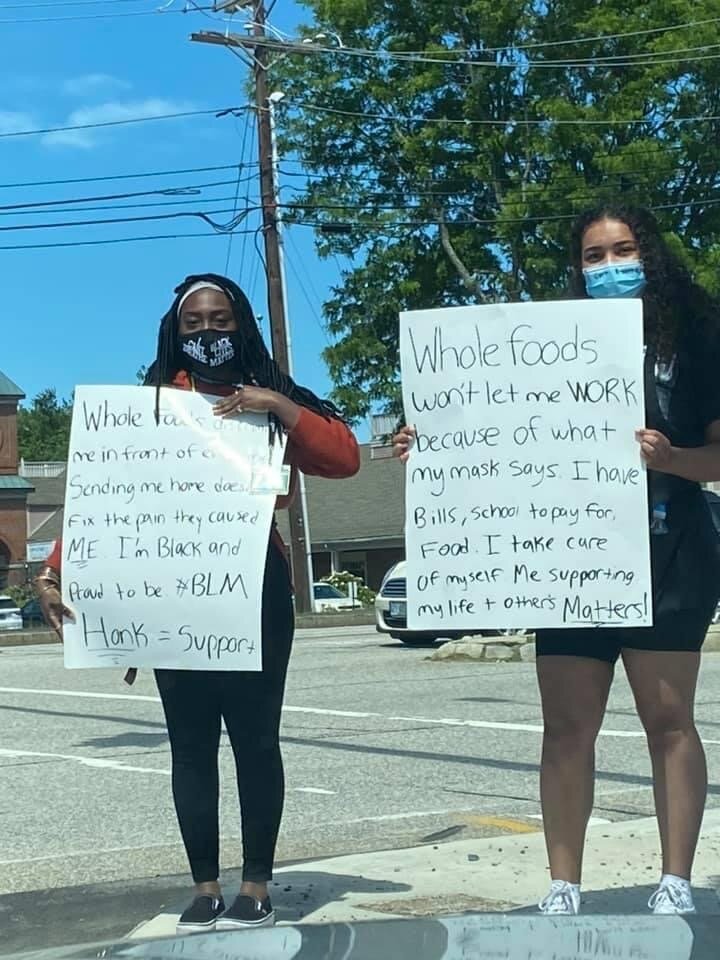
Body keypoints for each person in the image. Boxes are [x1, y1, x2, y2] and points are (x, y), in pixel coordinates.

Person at [393, 205, 720, 916]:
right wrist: (434, 440)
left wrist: (673, 459)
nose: (609, 266)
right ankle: (563, 885)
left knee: (669, 722)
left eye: (624, 250)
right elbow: (493, 431)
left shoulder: (696, 330)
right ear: (577, 267)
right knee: (567, 727)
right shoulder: (545, 340)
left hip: (672, 552)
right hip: (570, 560)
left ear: (650, 254)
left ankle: (675, 881)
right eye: (594, 256)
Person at [35, 274, 360, 934]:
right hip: (171, 590)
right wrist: (55, 570)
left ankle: (257, 883)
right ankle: (205, 885)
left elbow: (346, 457)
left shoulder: (268, 400)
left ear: (241, 323)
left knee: (255, 739)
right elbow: (110, 499)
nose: (208, 332)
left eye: (220, 320)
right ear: (175, 333)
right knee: (190, 743)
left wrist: (280, 406)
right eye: (194, 324)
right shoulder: (153, 406)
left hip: (254, 588)